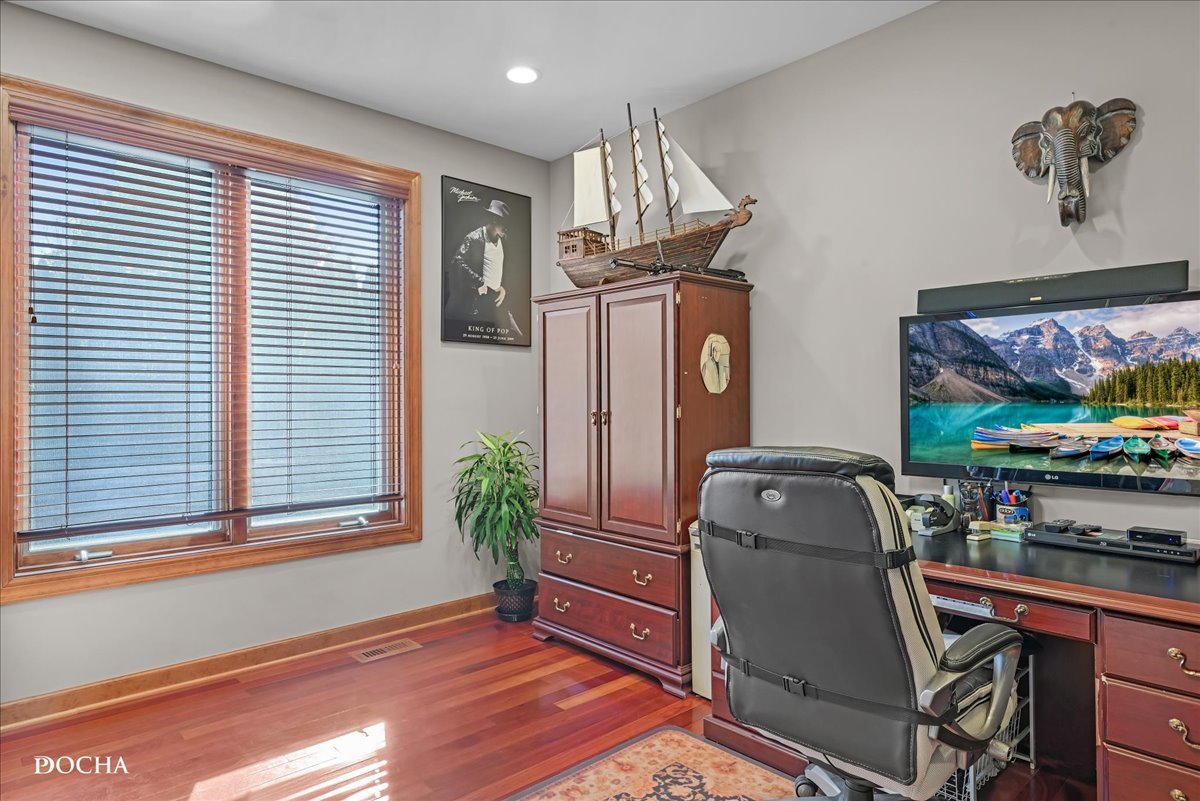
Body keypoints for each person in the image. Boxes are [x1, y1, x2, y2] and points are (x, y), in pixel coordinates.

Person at [448, 199, 509, 329]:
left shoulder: (502, 239)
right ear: (494, 219)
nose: (507, 228)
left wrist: (501, 287)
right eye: (505, 223)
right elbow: (457, 261)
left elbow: (496, 265)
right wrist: (479, 282)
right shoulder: (474, 237)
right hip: (478, 302)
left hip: (496, 300)